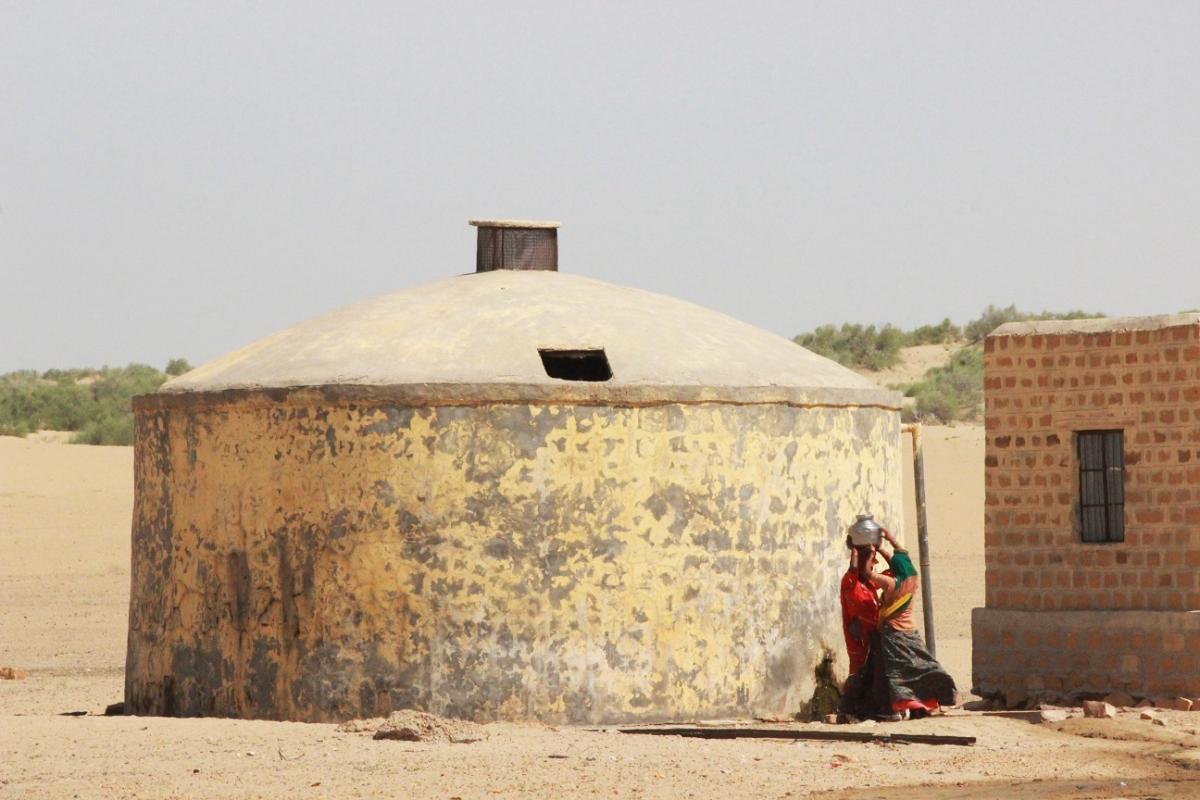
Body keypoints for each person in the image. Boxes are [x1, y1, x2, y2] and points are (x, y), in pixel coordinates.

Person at [840, 524, 956, 720]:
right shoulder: (912, 578)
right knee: (920, 668)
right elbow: (902, 558)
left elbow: (865, 574)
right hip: (910, 633)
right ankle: (921, 704)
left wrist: (864, 553)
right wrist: (888, 542)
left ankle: (894, 708)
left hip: (894, 635)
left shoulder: (891, 584)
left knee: (896, 674)